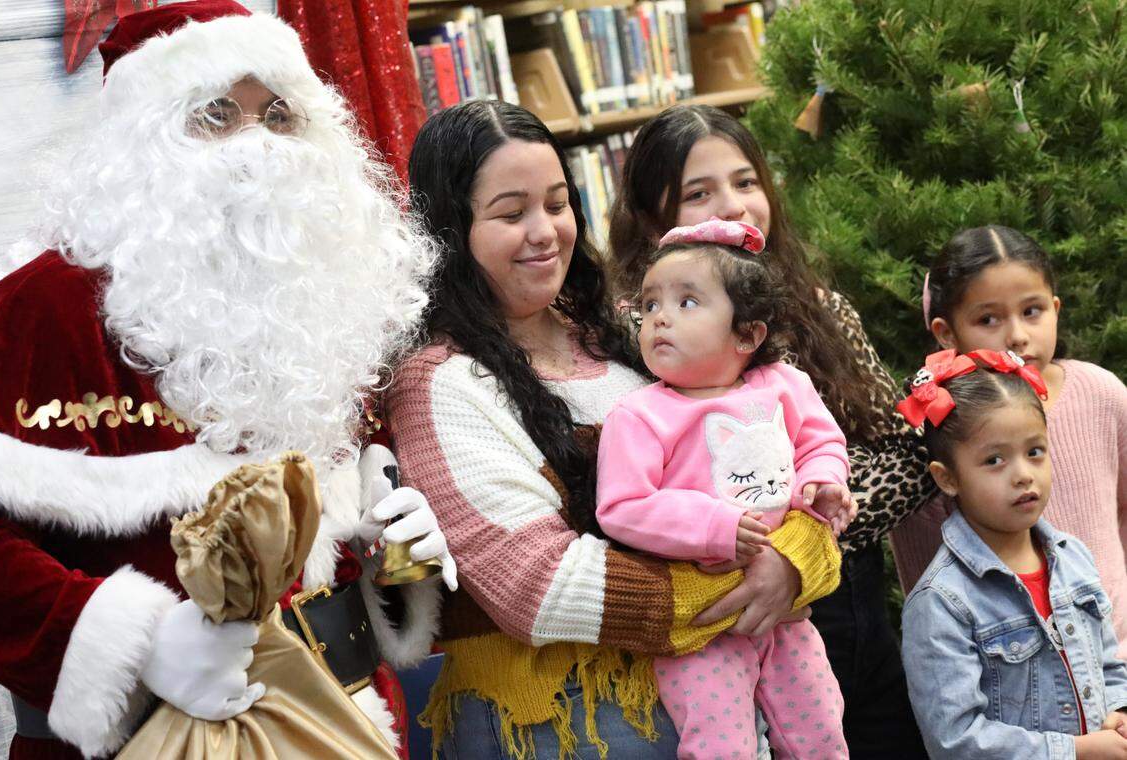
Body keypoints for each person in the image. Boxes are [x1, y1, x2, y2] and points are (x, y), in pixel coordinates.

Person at [0, 3, 454, 758]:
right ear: (139, 148)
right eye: (216, 114)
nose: (260, 146)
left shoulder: (323, 297)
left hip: (339, 722)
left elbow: (324, 532)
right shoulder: (38, 309)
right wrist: (130, 643)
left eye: (278, 114)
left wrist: (386, 556)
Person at [387, 100, 842, 759]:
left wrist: (798, 559)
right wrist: (763, 579)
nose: (545, 232)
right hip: (559, 721)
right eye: (511, 214)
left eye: (556, 202)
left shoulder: (623, 337)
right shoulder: (441, 382)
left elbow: (779, 467)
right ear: (453, 231)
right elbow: (538, 587)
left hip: (694, 693)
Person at [608, 103, 931, 757]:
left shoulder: (821, 309)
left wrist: (801, 536)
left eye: (745, 181)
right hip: (723, 606)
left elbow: (901, 451)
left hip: (839, 593)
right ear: (651, 220)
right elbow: (637, 491)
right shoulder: (641, 337)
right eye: (699, 193)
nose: (733, 205)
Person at [595, 217, 851, 759]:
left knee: (820, 734)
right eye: (650, 304)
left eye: (688, 302)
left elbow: (821, 445)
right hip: (703, 626)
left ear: (747, 334)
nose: (660, 317)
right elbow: (621, 507)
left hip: (786, 613)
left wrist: (823, 484)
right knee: (718, 746)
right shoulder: (640, 415)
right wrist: (714, 526)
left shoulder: (784, 384)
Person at [891, 226, 1127, 659]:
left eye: (1032, 311)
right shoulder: (938, 426)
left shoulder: (1102, 392)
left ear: (1055, 308)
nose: (1017, 335)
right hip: (1014, 674)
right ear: (946, 332)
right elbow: (922, 572)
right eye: (988, 319)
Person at [899, 349, 1127, 759]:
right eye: (994, 460)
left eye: (1035, 451)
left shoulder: (1073, 558)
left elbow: (1108, 664)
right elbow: (955, 740)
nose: (1023, 473)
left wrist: (1119, 710)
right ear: (947, 478)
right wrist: (1075, 751)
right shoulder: (942, 602)